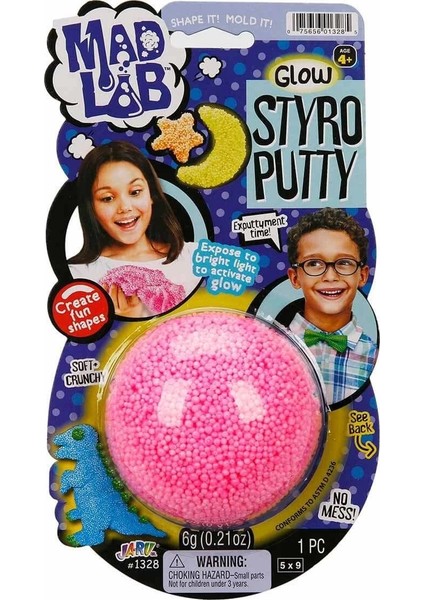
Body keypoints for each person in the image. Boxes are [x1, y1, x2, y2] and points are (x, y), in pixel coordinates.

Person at [68, 141, 200, 318]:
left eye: (135, 192)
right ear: (90, 206)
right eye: (107, 198)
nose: (125, 207)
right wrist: (126, 319)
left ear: (151, 194)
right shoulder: (79, 277)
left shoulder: (195, 257)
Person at [286, 207, 377, 405]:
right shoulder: (275, 348)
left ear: (362, 275)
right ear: (295, 278)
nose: (330, 276)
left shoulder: (373, 355)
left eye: (344, 262)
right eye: (314, 263)